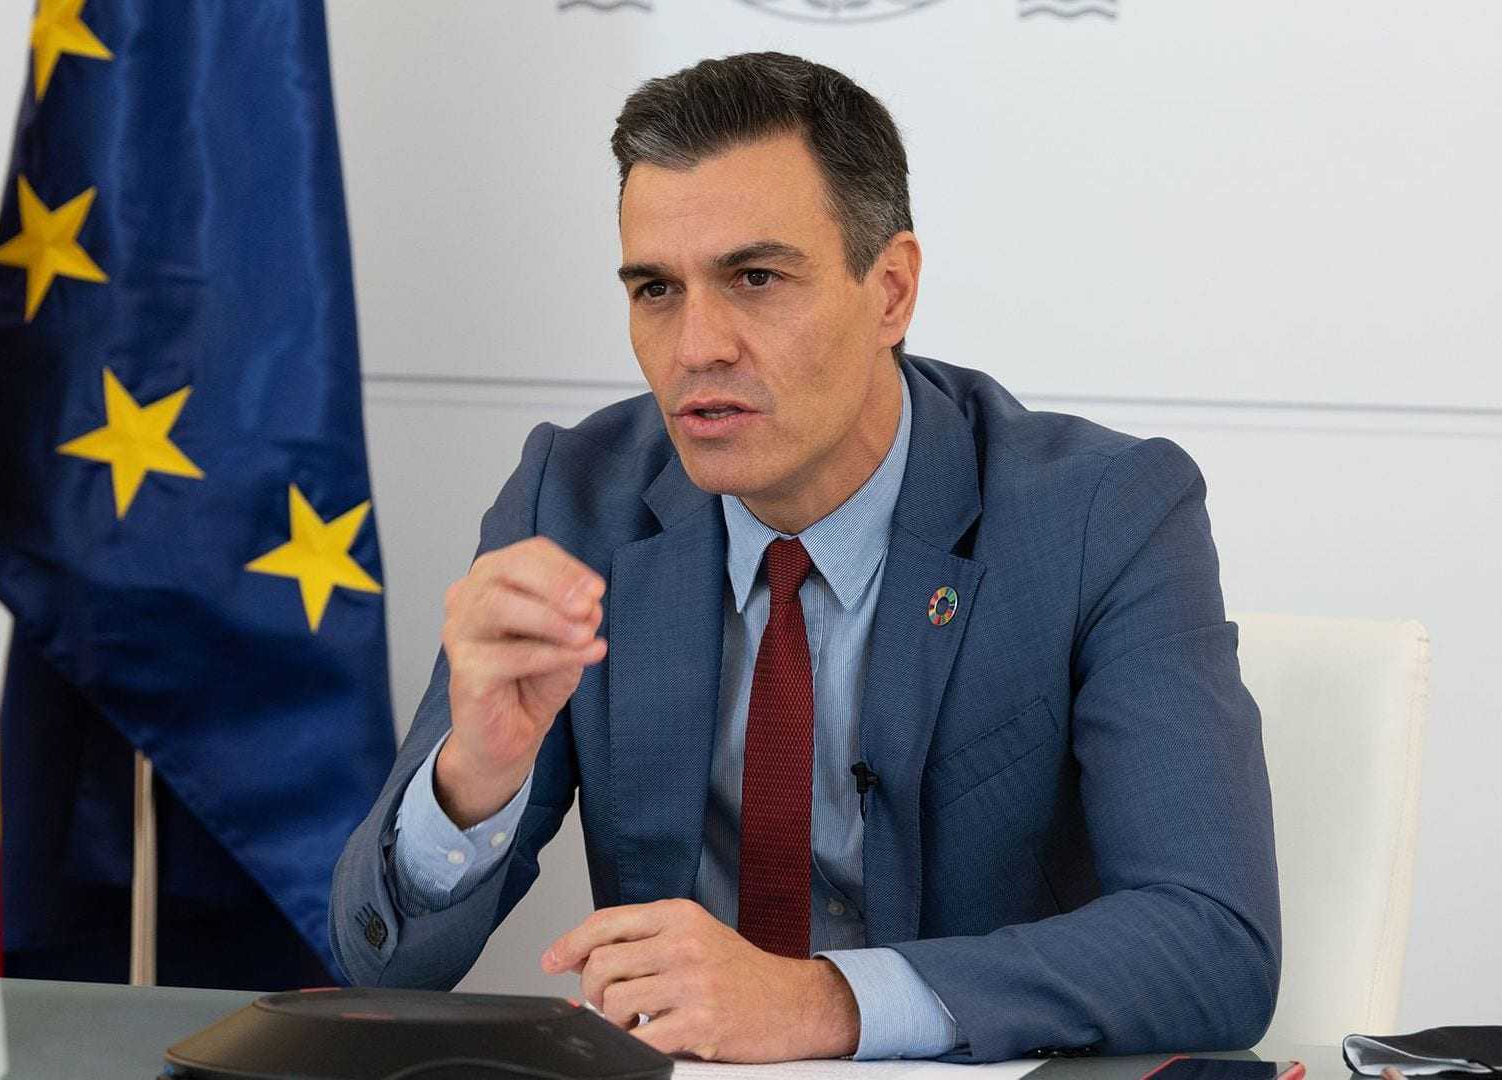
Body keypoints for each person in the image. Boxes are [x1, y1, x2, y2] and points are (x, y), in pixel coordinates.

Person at [331, 51, 1280, 1064]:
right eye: (656, 289)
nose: (697, 344)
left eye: (755, 278)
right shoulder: (575, 498)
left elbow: (1212, 944)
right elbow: (380, 968)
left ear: (891, 291)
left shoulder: (1102, 515)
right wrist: (474, 775)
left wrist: (828, 1002)